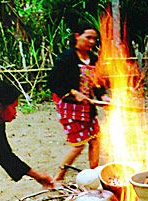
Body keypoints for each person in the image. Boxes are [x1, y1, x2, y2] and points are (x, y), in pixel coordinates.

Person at [47, 22, 110, 182]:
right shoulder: (66, 59)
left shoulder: (94, 59)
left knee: (95, 139)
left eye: (94, 39)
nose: (91, 42)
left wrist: (103, 96)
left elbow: (99, 83)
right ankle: (58, 177)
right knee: (78, 145)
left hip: (88, 108)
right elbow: (54, 83)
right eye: (88, 37)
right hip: (71, 108)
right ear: (77, 36)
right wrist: (73, 93)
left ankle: (94, 174)